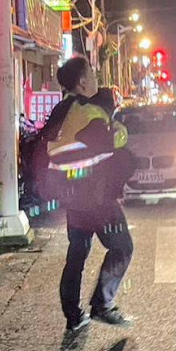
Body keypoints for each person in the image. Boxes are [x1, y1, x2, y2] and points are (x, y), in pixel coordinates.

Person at [43, 57, 135, 333]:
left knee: (78, 252)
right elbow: (108, 142)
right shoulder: (87, 111)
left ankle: (73, 315)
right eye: (92, 74)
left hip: (71, 194)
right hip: (97, 196)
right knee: (122, 247)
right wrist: (120, 131)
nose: (96, 79)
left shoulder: (60, 110)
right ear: (82, 82)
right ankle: (102, 306)